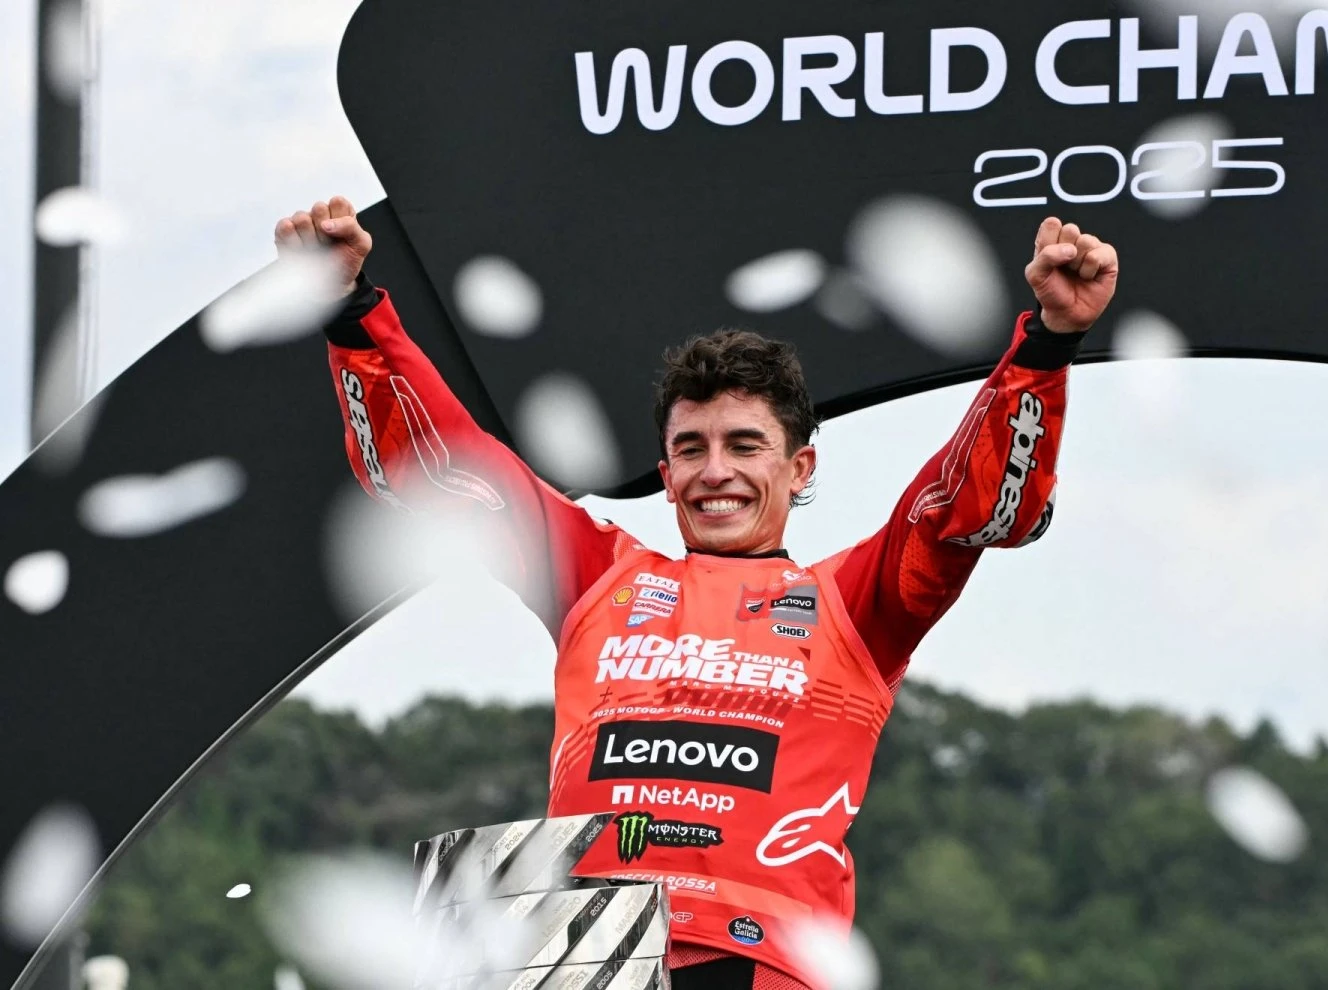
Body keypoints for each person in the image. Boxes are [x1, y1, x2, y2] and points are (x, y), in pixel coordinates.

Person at [274, 196, 1118, 990]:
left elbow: (955, 506)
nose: (715, 471)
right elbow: (457, 469)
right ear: (666, 470)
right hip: (583, 955)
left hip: (761, 960)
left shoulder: (855, 601)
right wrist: (352, 310)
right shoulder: (597, 576)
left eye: (744, 446)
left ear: (800, 467)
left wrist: (1047, 344)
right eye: (691, 449)